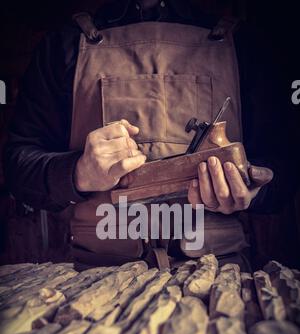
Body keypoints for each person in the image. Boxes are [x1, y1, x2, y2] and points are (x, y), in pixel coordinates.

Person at [4, 0, 292, 270]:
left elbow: (284, 170)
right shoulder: (64, 45)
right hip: (100, 274)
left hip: (217, 270)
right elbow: (19, 166)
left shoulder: (242, 44)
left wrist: (251, 190)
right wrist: (78, 173)